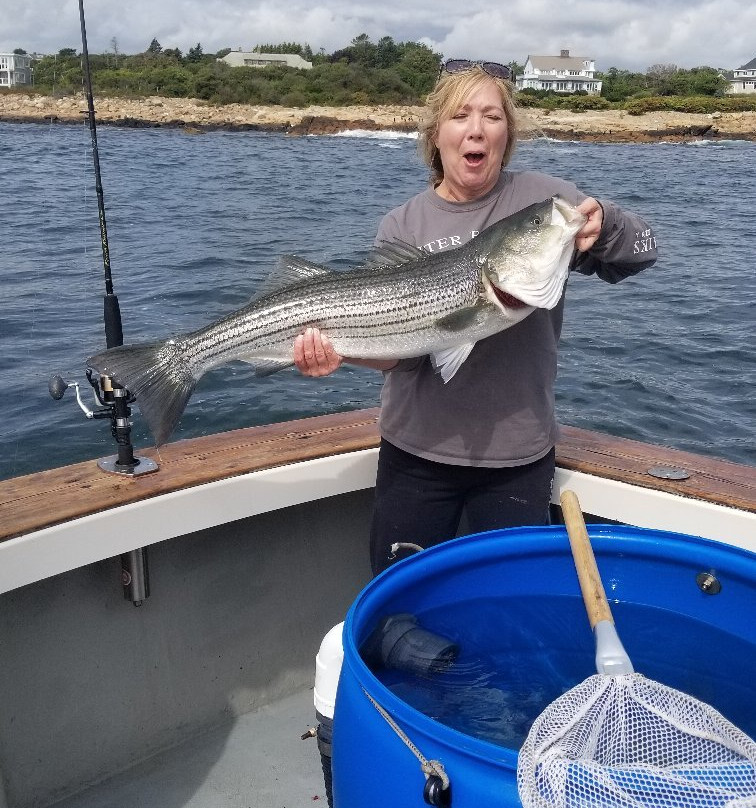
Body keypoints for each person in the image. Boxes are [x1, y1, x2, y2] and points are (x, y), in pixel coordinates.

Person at [293, 59, 658, 575]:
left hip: (517, 460)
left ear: (507, 134)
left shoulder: (543, 202)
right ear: (436, 134)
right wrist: (338, 353)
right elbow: (397, 357)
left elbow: (643, 252)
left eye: (492, 116)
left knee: (508, 607)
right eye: (460, 115)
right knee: (400, 605)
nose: (476, 129)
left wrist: (610, 224)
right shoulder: (403, 223)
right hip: (415, 454)